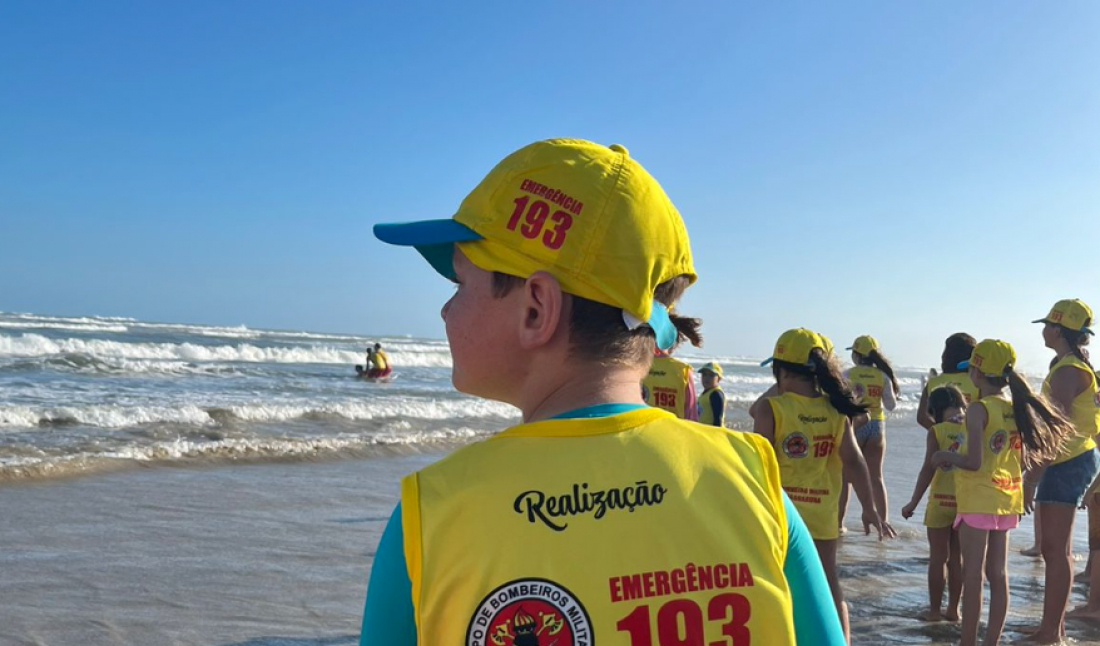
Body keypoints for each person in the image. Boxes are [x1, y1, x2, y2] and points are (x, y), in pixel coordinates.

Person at [362, 139, 846, 645]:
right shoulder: (755, 487)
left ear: (536, 309)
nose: (446, 311)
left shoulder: (431, 521)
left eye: (460, 284)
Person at [751, 327, 893, 643]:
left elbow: (759, 462)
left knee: (780, 583)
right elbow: (855, 461)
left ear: (781, 371)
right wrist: (868, 508)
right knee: (829, 581)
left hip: (781, 516)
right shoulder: (835, 410)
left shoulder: (770, 408)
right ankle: (839, 639)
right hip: (823, 512)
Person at [931, 339, 1072, 646]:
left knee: (973, 576)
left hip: (978, 500)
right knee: (999, 575)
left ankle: (968, 641)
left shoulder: (978, 410)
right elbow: (1020, 460)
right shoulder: (1014, 408)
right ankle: (990, 641)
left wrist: (945, 457)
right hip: (1007, 499)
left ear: (977, 373)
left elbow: (973, 461)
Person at [1025, 299, 1100, 644]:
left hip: (1067, 463)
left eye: (1047, 325)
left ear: (1058, 330)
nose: (1042, 330)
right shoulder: (1071, 365)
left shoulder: (1069, 369)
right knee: (1059, 551)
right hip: (1076, 460)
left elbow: (1056, 429)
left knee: (1055, 552)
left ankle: (1050, 633)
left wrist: (1031, 476)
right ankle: (1053, 628)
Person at [901, 384, 967, 623]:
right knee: (957, 559)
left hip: (940, 501)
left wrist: (913, 502)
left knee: (938, 558)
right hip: (966, 503)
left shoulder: (938, 431)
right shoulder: (974, 426)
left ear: (936, 409)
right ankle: (954, 610)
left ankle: (933, 610)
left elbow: (927, 470)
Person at [838, 335, 898, 532]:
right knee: (876, 477)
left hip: (855, 424)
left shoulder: (847, 374)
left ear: (856, 355)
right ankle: (884, 522)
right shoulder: (882, 376)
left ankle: (839, 523)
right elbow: (891, 406)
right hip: (876, 426)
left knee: (845, 478)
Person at [917, 333, 980, 430]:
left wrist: (940, 432)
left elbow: (922, 417)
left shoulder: (933, 383)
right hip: (971, 438)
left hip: (941, 442)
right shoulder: (976, 381)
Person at [642, 348, 698, 420]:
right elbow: (691, 412)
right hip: (674, 427)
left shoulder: (635, 366)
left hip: (642, 427)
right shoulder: (682, 369)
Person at [697, 361, 726, 426]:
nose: (706, 378)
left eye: (711, 375)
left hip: (711, 433)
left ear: (719, 379)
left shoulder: (715, 394)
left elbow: (718, 420)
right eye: (704, 374)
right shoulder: (706, 393)